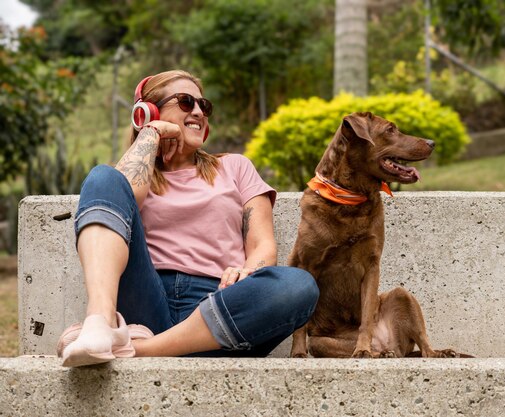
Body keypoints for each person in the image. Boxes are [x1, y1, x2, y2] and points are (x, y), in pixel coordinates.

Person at [57, 70, 319, 367]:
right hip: (146, 301)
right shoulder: (136, 172)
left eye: (203, 105)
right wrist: (151, 133)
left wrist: (248, 274)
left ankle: (135, 349)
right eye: (185, 102)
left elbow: (262, 246)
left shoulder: (235, 167)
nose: (198, 111)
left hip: (220, 309)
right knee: (103, 177)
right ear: (148, 112)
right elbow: (120, 193)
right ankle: (100, 323)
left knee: (299, 286)